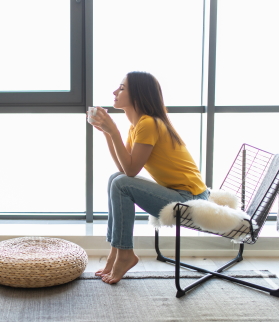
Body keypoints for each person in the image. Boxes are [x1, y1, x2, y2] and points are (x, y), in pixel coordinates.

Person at [87, 71, 209, 284]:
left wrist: (113, 130)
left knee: (121, 183)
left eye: (122, 88)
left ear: (138, 95)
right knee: (115, 178)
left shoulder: (148, 124)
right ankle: (116, 253)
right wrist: (108, 133)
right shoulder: (137, 127)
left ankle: (125, 254)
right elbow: (124, 169)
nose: (115, 91)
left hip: (191, 199)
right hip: (181, 194)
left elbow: (131, 172)